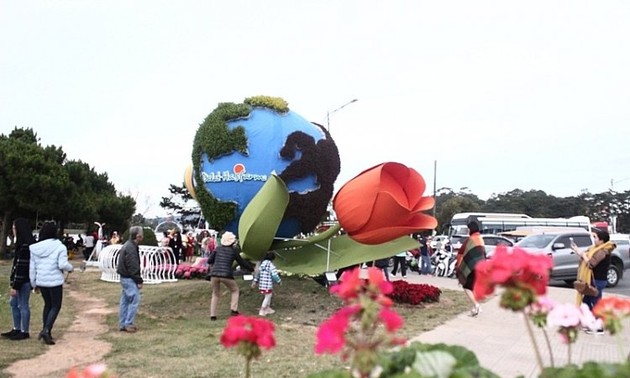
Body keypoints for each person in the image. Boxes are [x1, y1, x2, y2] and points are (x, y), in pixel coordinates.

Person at [29, 221, 74, 345]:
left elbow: (32, 268)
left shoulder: (34, 248)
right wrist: (71, 268)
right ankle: (46, 330)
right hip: (54, 281)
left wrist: (34, 283)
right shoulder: (60, 247)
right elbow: (62, 264)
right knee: (56, 306)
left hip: (41, 281)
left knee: (47, 305)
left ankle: (46, 331)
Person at [572, 228, 616, 334]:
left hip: (598, 280)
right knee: (587, 301)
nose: (594, 239)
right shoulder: (595, 249)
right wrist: (579, 252)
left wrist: (582, 255)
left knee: (595, 303)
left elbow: (591, 264)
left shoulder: (603, 251)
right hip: (593, 279)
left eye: (595, 237)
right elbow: (587, 257)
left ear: (601, 241)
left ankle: (598, 326)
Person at [208, 231, 254, 321]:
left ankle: (212, 315)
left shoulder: (217, 249)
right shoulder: (233, 251)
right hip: (226, 274)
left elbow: (209, 260)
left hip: (214, 274)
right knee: (235, 290)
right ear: (232, 242)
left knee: (215, 294)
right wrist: (251, 269)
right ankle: (234, 310)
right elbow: (241, 262)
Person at [2, 218, 35, 340]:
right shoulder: (20, 244)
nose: (13, 230)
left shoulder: (25, 247)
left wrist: (15, 285)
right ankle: (16, 328)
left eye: (14, 228)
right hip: (18, 280)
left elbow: (21, 268)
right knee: (13, 303)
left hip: (23, 281)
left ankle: (24, 331)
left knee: (23, 304)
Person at [116, 226, 144, 333]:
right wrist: (139, 280)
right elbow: (133, 266)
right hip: (129, 278)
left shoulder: (128, 245)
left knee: (125, 300)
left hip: (124, 277)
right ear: (138, 236)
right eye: (142, 234)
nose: (143, 236)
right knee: (134, 299)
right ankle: (128, 323)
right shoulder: (131, 248)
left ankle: (123, 323)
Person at [455, 221, 486, 317]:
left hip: (472, 267)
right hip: (480, 267)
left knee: (466, 287)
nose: (467, 230)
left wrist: (458, 266)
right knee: (472, 287)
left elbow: (461, 253)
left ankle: (477, 306)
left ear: (470, 229)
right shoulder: (480, 239)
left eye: (468, 228)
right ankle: (475, 307)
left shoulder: (470, 240)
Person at [252, 251, 282, 316]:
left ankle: (267, 308)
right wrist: (279, 281)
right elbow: (274, 275)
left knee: (268, 295)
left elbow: (257, 274)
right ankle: (262, 310)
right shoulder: (271, 266)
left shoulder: (261, 265)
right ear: (272, 259)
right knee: (267, 297)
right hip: (268, 285)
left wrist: (255, 281)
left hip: (262, 284)